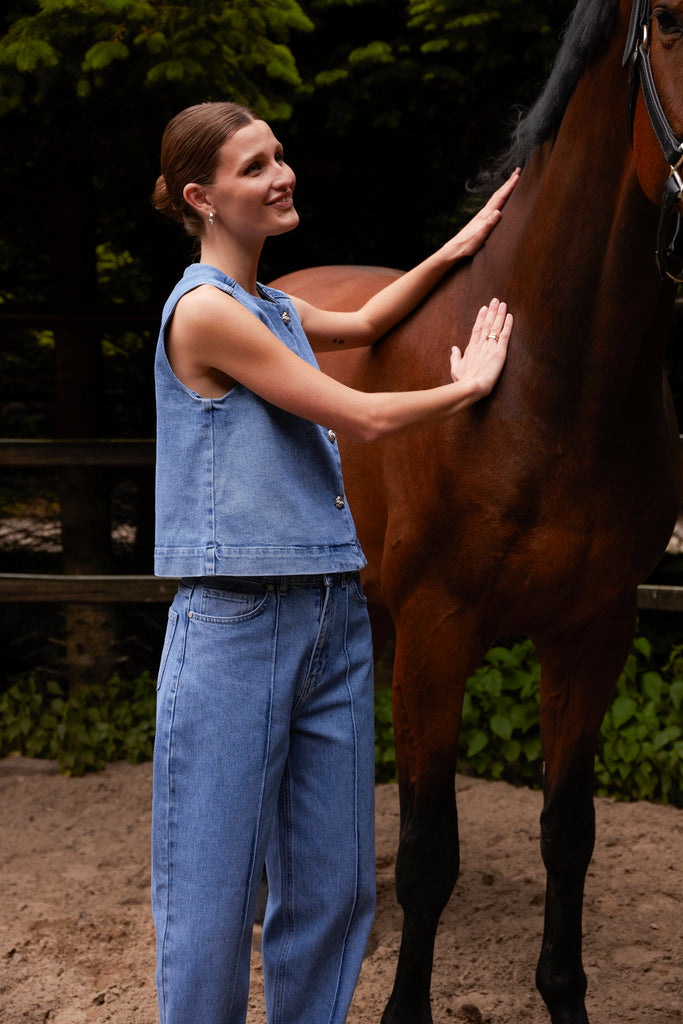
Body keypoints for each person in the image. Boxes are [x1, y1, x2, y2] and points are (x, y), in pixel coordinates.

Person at [150, 99, 517, 1024]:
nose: (282, 174)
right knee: (213, 901)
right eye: (254, 167)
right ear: (201, 197)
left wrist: (456, 246)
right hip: (236, 625)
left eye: (279, 155)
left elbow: (366, 321)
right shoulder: (204, 313)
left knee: (336, 891)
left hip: (333, 618)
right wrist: (465, 386)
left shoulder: (270, 306)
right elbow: (356, 413)